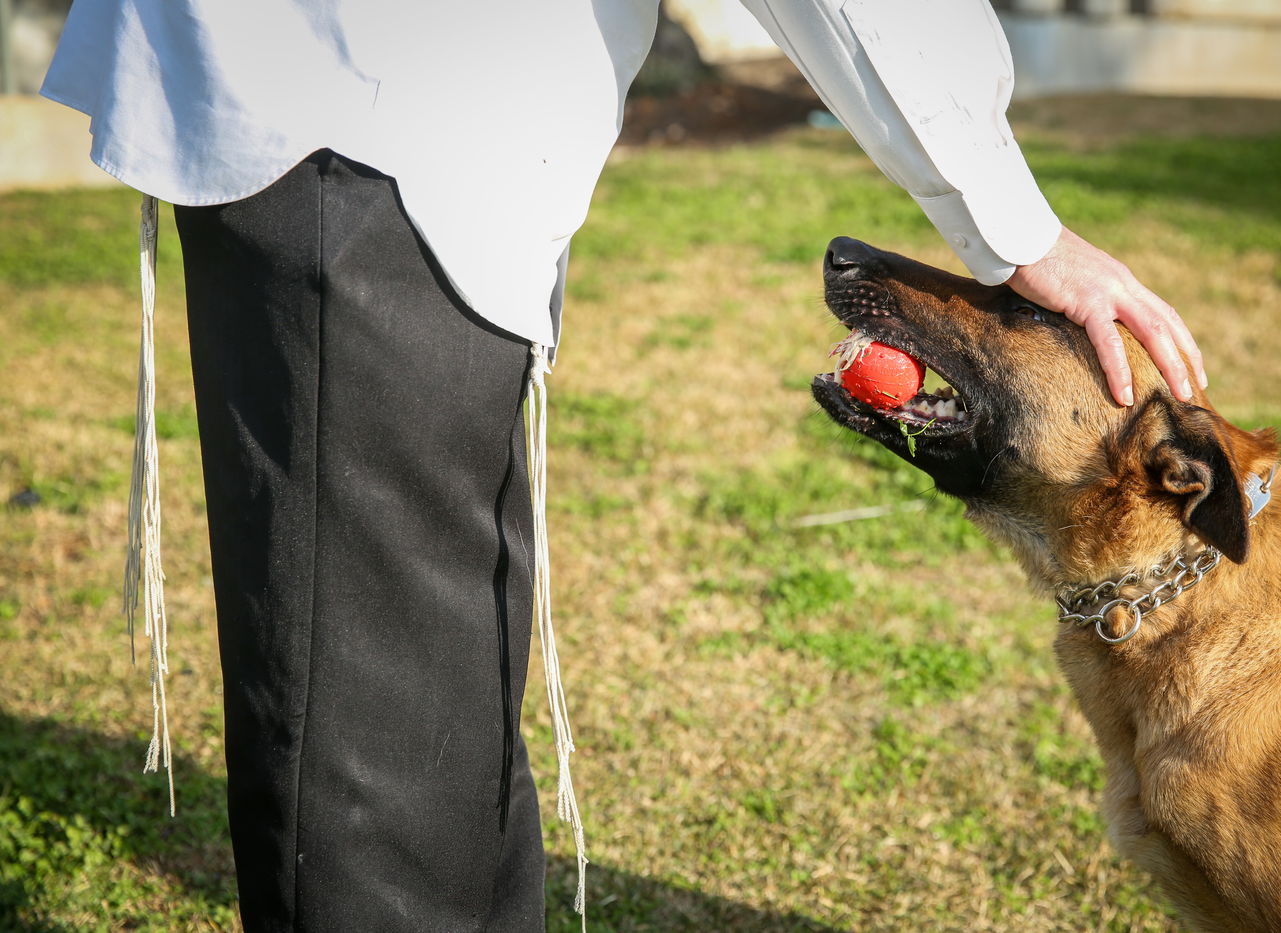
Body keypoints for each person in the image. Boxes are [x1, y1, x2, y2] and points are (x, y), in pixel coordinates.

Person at [41, 2, 1206, 931]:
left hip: (397, 115)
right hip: (364, 114)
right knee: (370, 727)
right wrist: (1015, 227)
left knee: (434, 663)